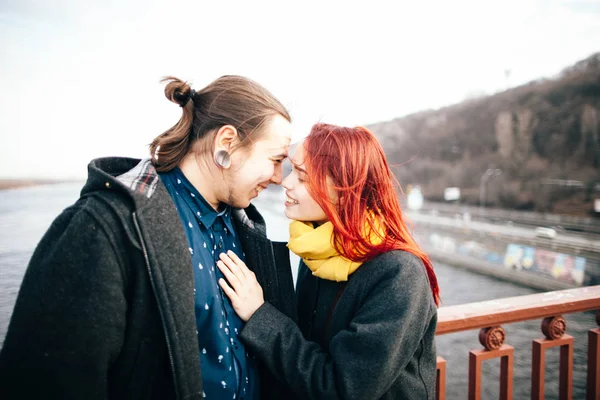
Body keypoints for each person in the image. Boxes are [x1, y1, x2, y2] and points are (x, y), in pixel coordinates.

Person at [0, 75, 298, 400]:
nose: (276, 178)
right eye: (275, 160)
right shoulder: (105, 228)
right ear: (226, 143)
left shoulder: (248, 228)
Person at [216, 123, 441, 400]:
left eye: (301, 176)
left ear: (344, 189)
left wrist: (260, 315)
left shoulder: (399, 273)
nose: (285, 183)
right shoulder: (320, 252)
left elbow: (344, 388)